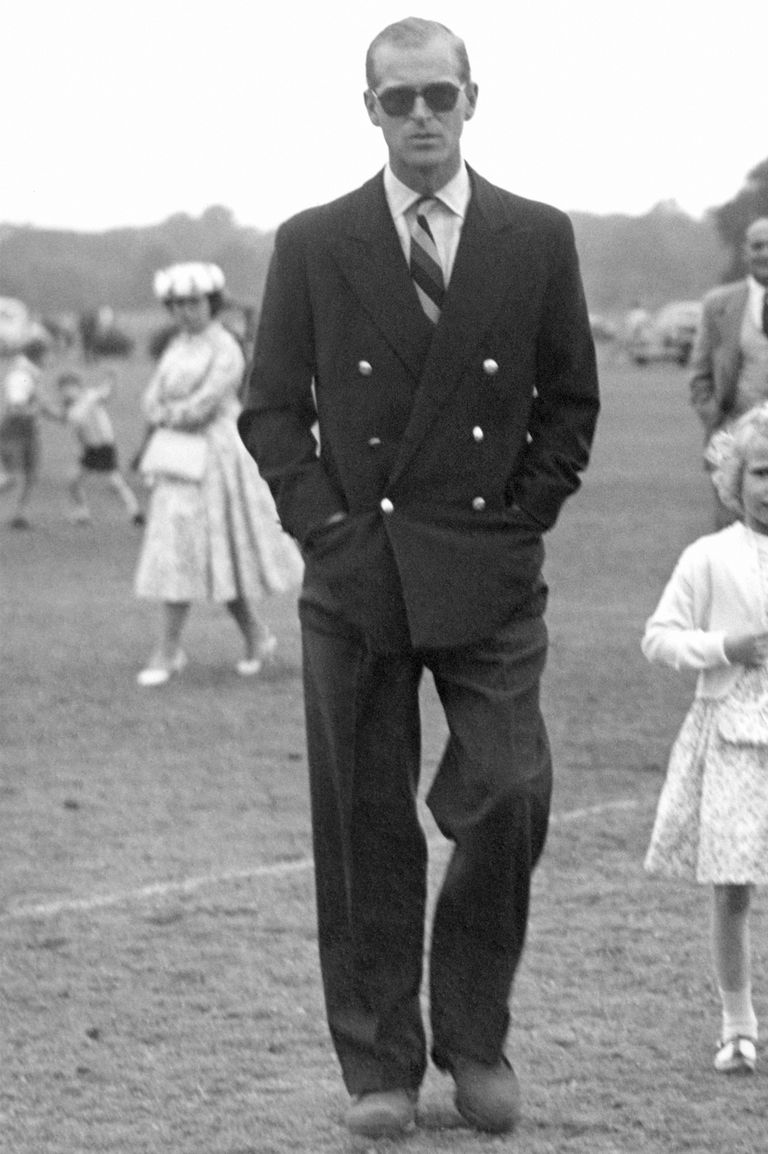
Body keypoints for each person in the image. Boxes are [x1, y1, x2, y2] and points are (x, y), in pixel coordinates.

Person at [238, 17, 599, 1139]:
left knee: (508, 789)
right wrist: (326, 528)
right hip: (359, 573)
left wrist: (519, 522)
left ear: (474, 99)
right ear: (370, 110)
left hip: (487, 567)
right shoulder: (314, 240)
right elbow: (270, 405)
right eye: (399, 100)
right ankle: (381, 1065)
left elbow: (569, 401)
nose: (422, 117)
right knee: (361, 820)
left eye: (439, 95)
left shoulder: (535, 236)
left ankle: (475, 1034)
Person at [642, 401, 768, 1077]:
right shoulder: (709, 558)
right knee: (733, 888)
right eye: (760, 472)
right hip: (731, 738)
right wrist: (725, 646)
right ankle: (738, 1025)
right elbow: (658, 637)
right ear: (733, 479)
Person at [134, 261, 303, 688]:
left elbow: (209, 399)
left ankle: (234, 640)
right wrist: (167, 413)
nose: (185, 312)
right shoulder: (177, 346)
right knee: (180, 549)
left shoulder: (224, 345)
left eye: (193, 303)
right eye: (177, 305)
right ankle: (186, 646)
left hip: (217, 459)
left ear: (211, 302)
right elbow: (150, 399)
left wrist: (173, 414)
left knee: (217, 551)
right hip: (176, 459)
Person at [690, 217, 768, 527]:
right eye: (758, 246)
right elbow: (700, 375)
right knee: (733, 542)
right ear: (746, 251)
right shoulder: (718, 304)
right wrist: (715, 419)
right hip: (734, 441)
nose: (765, 254)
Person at [48, 369, 144, 525]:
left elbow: (105, 393)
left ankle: (135, 513)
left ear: (77, 386)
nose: (66, 393)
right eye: (63, 390)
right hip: (90, 449)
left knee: (114, 481)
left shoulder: (89, 397)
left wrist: (111, 380)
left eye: (68, 388)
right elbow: (62, 418)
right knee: (74, 480)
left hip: (103, 447)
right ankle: (82, 513)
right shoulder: (72, 408)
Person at [0, 342, 48, 528]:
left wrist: (62, 415)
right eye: (48, 354)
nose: (51, 359)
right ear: (38, 355)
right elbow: (15, 408)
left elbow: (40, 404)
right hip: (14, 433)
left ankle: (20, 515)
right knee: (12, 478)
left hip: (30, 432)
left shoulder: (33, 374)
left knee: (31, 474)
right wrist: (37, 410)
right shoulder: (21, 376)